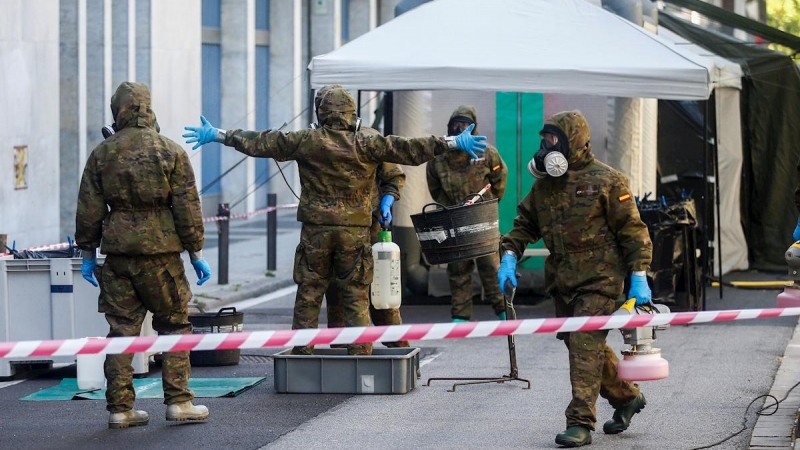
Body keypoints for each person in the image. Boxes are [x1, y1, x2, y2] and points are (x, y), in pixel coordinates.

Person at [183, 84, 486, 356]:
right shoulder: (368, 141)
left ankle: (302, 353)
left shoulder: (307, 140)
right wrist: (451, 143)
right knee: (356, 293)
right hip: (355, 232)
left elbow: (263, 142)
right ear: (351, 113)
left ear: (321, 112)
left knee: (310, 292)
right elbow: (409, 148)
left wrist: (220, 135)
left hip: (316, 232)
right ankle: (360, 351)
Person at [497, 111, 652, 447]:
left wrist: (639, 275)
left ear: (573, 142)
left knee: (584, 343)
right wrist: (509, 254)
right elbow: (524, 225)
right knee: (584, 345)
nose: (545, 146)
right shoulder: (544, 187)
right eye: (545, 139)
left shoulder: (609, 181)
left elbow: (633, 231)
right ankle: (627, 397)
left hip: (601, 278)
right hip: (565, 281)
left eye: (552, 140)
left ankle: (580, 422)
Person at [76, 82, 213, 429]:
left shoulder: (102, 153)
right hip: (162, 256)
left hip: (119, 255)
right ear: (148, 109)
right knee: (174, 327)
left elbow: (89, 208)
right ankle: (180, 402)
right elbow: (187, 207)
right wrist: (195, 251)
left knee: (121, 331)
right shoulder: (170, 151)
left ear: (117, 110)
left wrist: (87, 251)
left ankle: (120, 409)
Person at [427, 105, 508, 322]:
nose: (460, 128)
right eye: (456, 124)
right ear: (449, 127)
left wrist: (488, 204)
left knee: (491, 267)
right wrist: (450, 208)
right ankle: (461, 316)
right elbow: (435, 189)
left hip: (482, 219)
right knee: (458, 270)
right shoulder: (439, 158)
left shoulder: (486, 152)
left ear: (473, 127)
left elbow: (499, 179)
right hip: (454, 220)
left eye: (465, 124)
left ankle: (503, 311)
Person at [326, 157, 410, 348]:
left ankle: (400, 353)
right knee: (337, 293)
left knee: (380, 290)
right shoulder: (319, 138)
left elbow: (395, 175)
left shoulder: (368, 139)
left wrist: (388, 197)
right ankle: (341, 359)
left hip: (367, 227)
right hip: (331, 230)